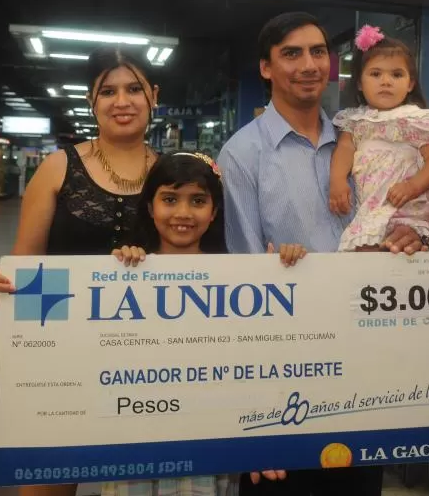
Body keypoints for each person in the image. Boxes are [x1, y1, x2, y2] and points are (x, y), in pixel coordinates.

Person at [218, 11, 429, 496]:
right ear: (266, 68)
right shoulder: (243, 154)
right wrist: (256, 411)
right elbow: (244, 278)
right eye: (291, 53)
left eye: (318, 52)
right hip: (286, 372)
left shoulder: (368, 137)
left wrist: (410, 240)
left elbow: (401, 216)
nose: (309, 64)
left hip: (366, 360)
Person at [0, 46, 160, 496]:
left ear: (154, 95)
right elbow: (25, 265)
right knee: (50, 482)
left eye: (134, 88)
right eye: (109, 91)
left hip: (149, 363)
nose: (123, 101)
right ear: (91, 101)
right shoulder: (58, 168)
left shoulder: (173, 174)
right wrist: (2, 284)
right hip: (63, 358)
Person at [108, 151, 306, 496]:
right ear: (149, 207)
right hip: (138, 442)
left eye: (197, 201)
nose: (183, 213)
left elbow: (260, 362)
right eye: (169, 199)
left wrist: (286, 268)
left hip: (213, 442)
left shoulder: (243, 278)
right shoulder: (124, 271)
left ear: (214, 212)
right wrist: (116, 272)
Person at [328, 24, 429, 251]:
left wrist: (413, 186)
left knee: (400, 254)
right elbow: (344, 150)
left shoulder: (417, 120)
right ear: (360, 83)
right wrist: (337, 181)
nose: (386, 81)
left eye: (396, 74)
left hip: (406, 207)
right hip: (370, 207)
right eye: (376, 74)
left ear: (410, 83)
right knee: (365, 252)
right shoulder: (355, 122)